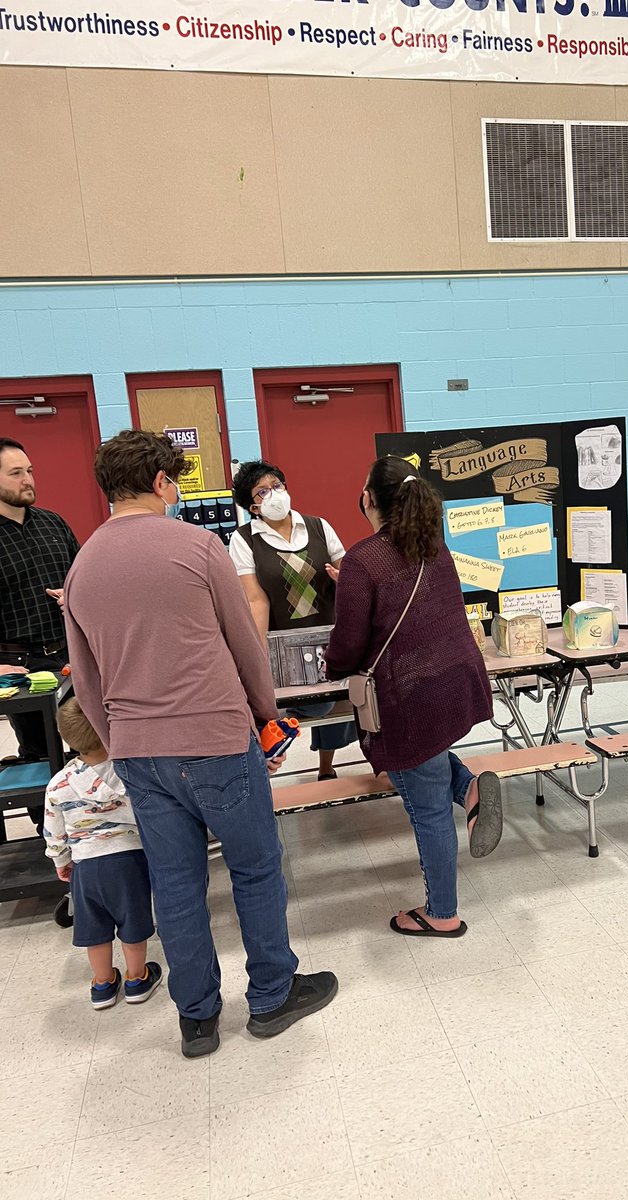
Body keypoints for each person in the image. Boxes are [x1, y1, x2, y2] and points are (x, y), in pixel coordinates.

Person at [64, 429, 337, 1058]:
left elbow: (88, 676)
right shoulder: (196, 547)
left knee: (176, 883)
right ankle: (271, 995)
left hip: (137, 750)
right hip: (214, 737)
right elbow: (244, 642)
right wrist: (265, 714)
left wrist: (120, 743)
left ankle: (196, 1016)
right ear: (162, 482)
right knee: (254, 867)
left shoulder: (81, 566)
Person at [324, 456, 502, 939]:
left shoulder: (363, 559)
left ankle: (442, 913)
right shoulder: (434, 546)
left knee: (425, 807)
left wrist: (331, 665)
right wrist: (355, 590)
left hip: (410, 699)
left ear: (371, 500)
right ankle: (469, 789)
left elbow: (349, 646)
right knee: (432, 765)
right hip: (453, 683)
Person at [230, 460, 356, 781]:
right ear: (252, 506)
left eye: (277, 486)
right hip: (283, 646)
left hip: (331, 637)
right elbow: (256, 601)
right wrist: (257, 661)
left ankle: (327, 766)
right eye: (262, 491)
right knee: (318, 706)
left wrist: (348, 581)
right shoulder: (244, 540)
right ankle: (296, 744)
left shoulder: (318, 527)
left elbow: (350, 574)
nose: (274, 495)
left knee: (342, 697)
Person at [43, 697, 163, 1010]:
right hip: (129, 860)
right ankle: (136, 978)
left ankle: (102, 984)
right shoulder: (130, 772)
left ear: (66, 737)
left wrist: (61, 861)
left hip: (85, 865)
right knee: (132, 920)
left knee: (94, 927)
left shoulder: (58, 785)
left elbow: (53, 831)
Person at [0, 437, 79, 828]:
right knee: (38, 753)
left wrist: (75, 597)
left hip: (69, 653)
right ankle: (50, 836)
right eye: (16, 473)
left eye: (29, 471)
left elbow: (84, 577)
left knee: (92, 742)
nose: (28, 480)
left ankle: (101, 826)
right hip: (19, 665)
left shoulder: (53, 522)